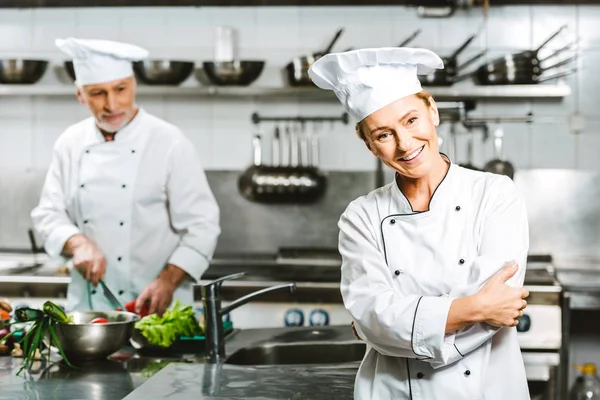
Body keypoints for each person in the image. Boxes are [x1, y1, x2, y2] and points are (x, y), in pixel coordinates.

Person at [308, 48, 531, 400]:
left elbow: (495, 311)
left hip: (487, 388)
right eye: (383, 134)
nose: (405, 144)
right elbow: (372, 316)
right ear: (370, 146)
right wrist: (474, 308)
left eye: (411, 120)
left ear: (433, 112)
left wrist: (391, 329)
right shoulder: (361, 216)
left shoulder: (495, 194)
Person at [31, 38, 221, 316]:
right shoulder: (69, 143)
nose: (112, 104)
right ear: (80, 94)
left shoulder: (169, 142)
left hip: (158, 308)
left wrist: (168, 280)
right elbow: (48, 213)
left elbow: (203, 226)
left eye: (120, 89)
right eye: (97, 93)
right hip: (90, 314)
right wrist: (77, 242)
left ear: (134, 85)